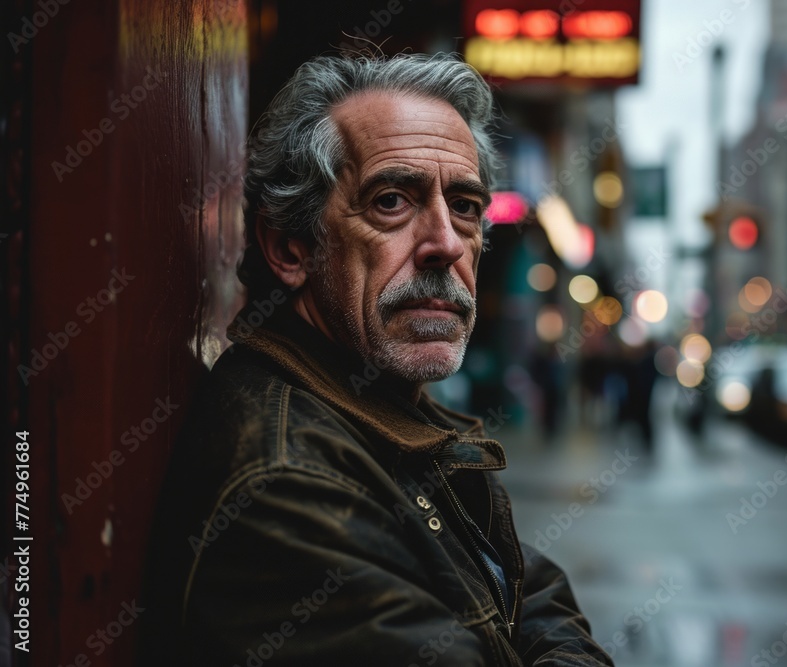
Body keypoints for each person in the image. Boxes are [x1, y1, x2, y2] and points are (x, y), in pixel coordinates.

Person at [139, 53, 613, 666]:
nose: (445, 243)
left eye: (465, 206)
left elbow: (530, 591)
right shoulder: (287, 484)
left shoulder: (385, 411)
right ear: (291, 247)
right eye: (392, 200)